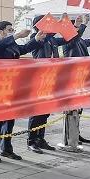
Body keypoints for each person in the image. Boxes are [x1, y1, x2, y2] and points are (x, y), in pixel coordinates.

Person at [0, 21, 34, 160]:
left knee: (9, 118)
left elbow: (23, 49)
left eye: (13, 30)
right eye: (9, 30)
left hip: (11, 85)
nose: (12, 32)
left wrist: (37, 39)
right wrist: (17, 35)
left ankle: (6, 148)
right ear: (0, 31)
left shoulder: (11, 44)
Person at [25, 15, 66, 153]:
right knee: (37, 112)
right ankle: (31, 141)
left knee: (45, 111)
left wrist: (77, 26)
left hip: (52, 79)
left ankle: (40, 139)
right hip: (40, 80)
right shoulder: (36, 38)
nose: (50, 25)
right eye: (47, 23)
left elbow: (70, 38)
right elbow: (40, 40)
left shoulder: (52, 39)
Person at [62, 15, 90, 144]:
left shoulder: (80, 41)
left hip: (81, 77)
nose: (77, 29)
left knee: (79, 108)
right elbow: (75, 37)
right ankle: (69, 135)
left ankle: (76, 132)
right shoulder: (67, 40)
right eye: (75, 26)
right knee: (71, 107)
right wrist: (83, 24)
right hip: (72, 78)